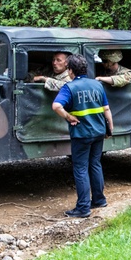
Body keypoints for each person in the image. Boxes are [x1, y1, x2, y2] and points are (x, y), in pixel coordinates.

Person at [52, 54, 114, 218]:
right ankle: (99, 200)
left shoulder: (69, 87)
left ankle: (83, 208)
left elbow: (56, 105)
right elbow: (106, 109)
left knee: (80, 168)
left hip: (81, 134)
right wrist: (110, 129)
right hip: (99, 131)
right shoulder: (97, 85)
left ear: (70, 70)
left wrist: (68, 116)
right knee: (95, 164)